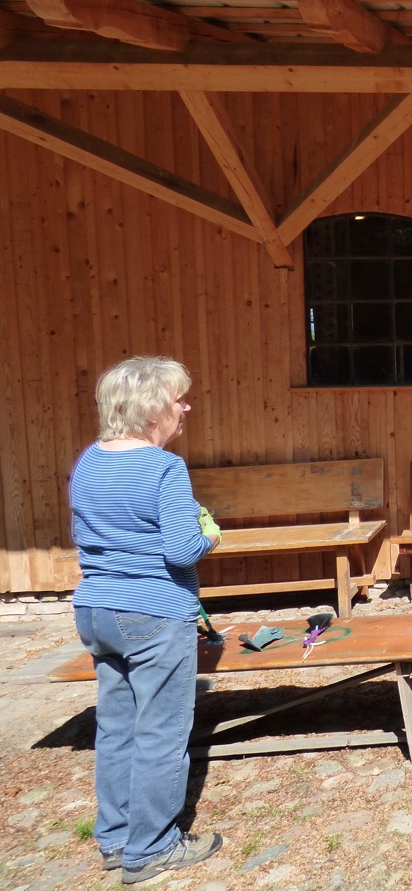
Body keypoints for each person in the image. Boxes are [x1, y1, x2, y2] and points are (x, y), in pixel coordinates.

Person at [69, 356, 224, 885]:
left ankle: (114, 838)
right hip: (154, 613)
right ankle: (153, 849)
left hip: (95, 609)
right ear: (152, 407)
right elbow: (182, 550)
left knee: (116, 729)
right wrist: (211, 533)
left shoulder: (88, 461)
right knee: (161, 733)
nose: (186, 407)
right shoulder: (164, 467)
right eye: (178, 398)